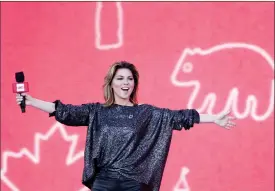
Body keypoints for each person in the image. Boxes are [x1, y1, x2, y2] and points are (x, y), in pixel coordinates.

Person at [16, 61, 236, 191]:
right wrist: (31, 100)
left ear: (134, 84)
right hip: (104, 182)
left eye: (129, 79)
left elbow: (178, 117)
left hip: (133, 184)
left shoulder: (145, 113)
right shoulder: (97, 111)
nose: (125, 83)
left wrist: (213, 118)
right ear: (111, 83)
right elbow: (64, 111)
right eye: (120, 78)